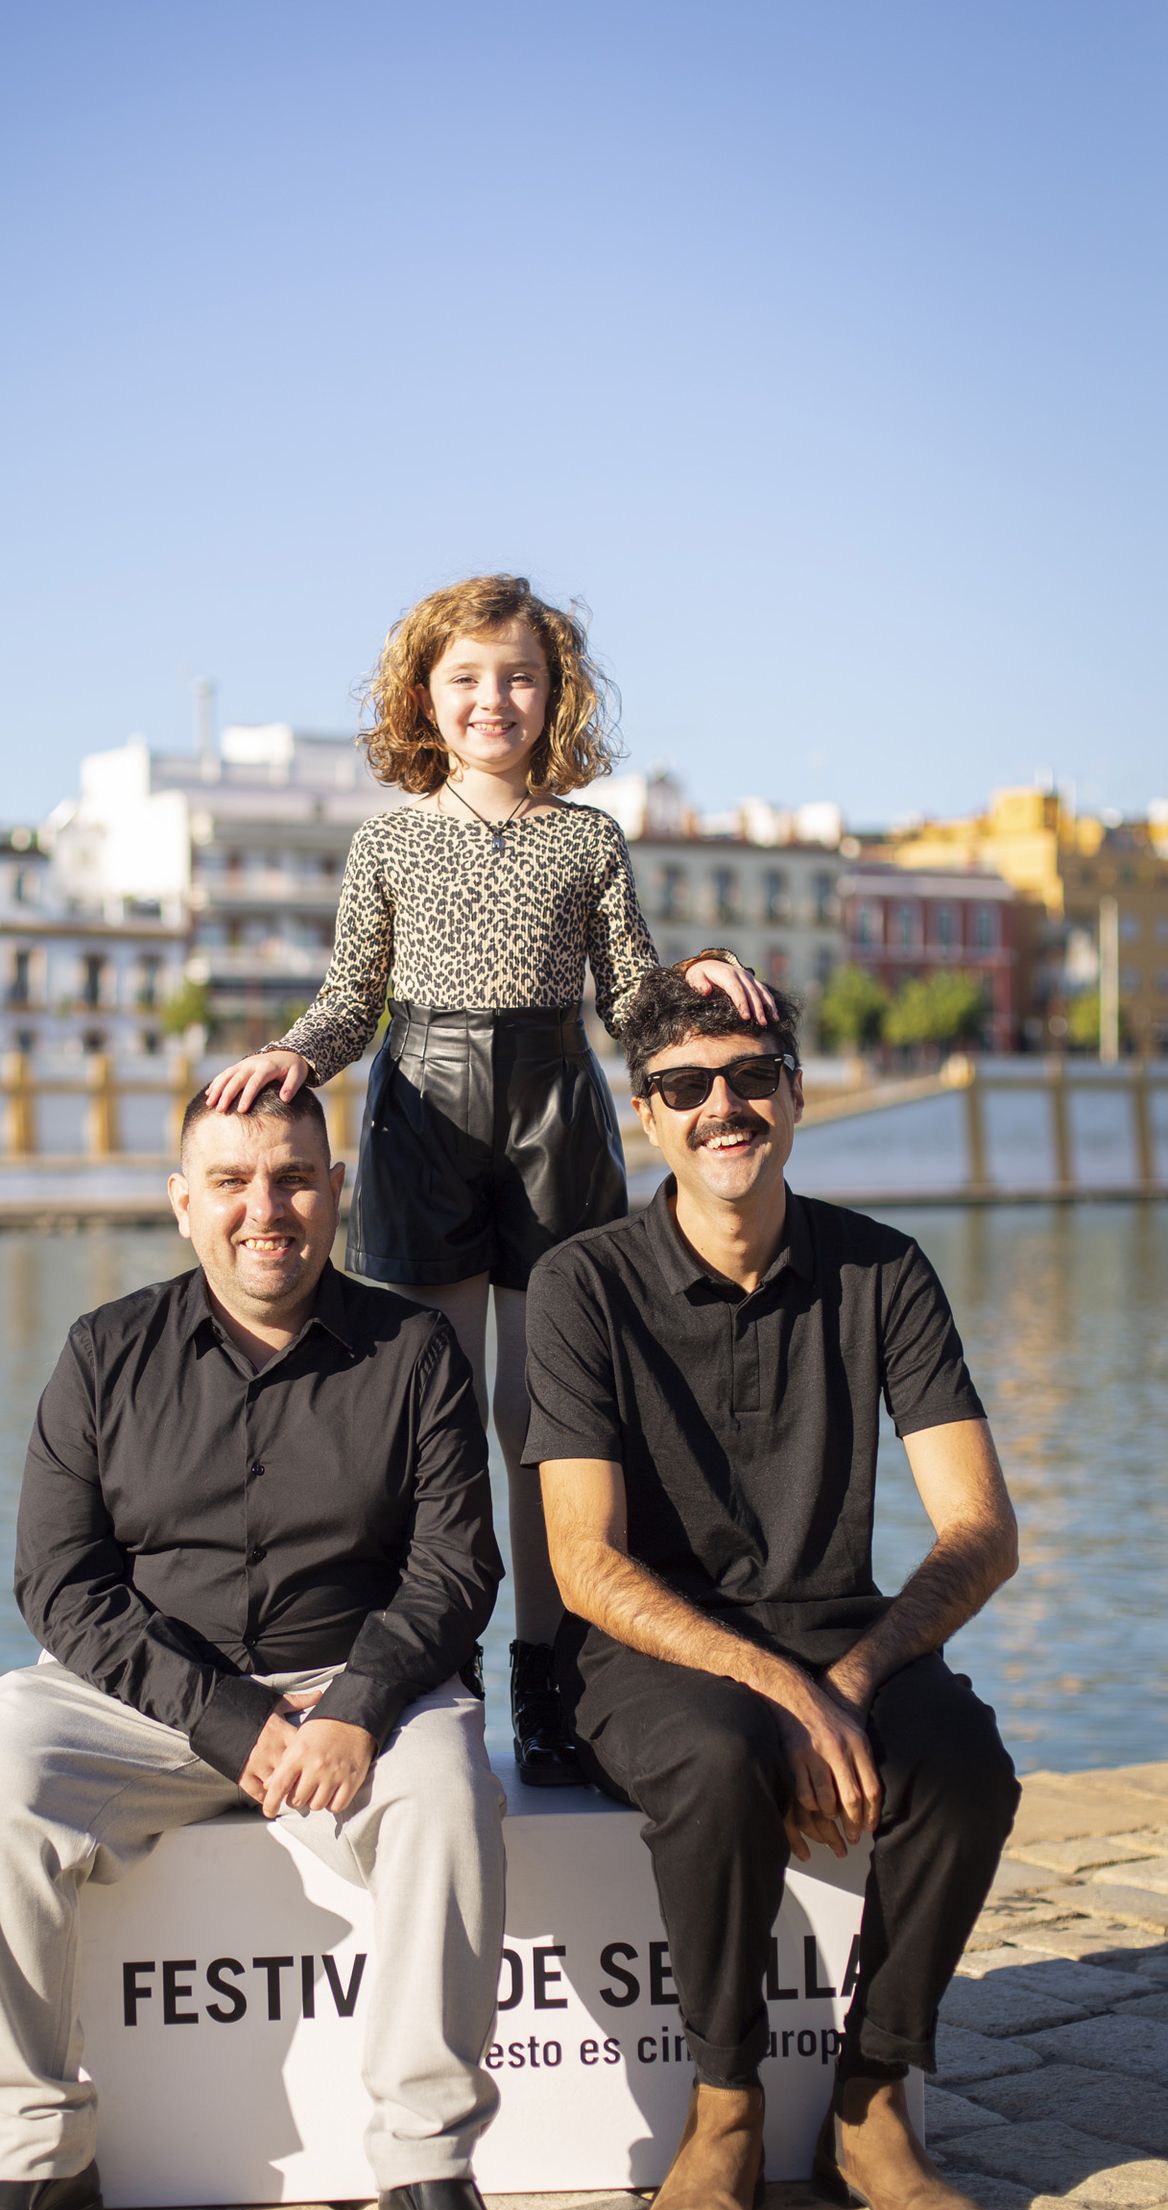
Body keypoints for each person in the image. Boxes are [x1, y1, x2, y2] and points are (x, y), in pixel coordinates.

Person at [0, 1084, 533, 2210]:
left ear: (335, 1194)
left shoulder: (412, 1351)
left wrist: (358, 1703)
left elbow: (458, 1567)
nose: (269, 1209)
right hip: (145, 1691)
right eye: (236, 1182)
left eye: (296, 1180)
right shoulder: (104, 1350)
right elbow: (58, 1581)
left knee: (444, 1795)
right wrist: (226, 1720)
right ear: (184, 1203)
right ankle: (39, 2161)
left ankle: (424, 2175)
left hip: (354, 1678)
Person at [206, 571, 774, 1783]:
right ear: (426, 694)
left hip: (556, 1112)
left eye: (518, 675)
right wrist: (290, 1055)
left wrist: (704, 974)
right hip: (422, 1112)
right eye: (466, 677)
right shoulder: (388, 840)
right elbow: (351, 1001)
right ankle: (430, 1671)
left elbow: (629, 1001)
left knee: (551, 1417)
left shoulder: (587, 837)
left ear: (552, 693)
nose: (493, 699)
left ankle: (551, 1683)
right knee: (438, 1409)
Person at [524, 968, 1020, 2210]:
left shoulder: (884, 1271)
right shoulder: (583, 1286)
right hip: (647, 1644)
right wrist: (786, 1692)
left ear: (796, 1095)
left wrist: (843, 1676)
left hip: (836, 1629)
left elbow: (981, 1528)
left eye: (750, 1078)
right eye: (686, 1089)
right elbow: (583, 1563)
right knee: (718, 1753)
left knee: (965, 1767)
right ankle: (726, 2112)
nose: (722, 1109)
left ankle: (871, 2105)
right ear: (647, 1117)